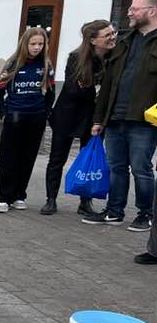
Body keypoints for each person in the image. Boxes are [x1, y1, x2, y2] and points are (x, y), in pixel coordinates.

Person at [83, 0, 157, 233]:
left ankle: (146, 214)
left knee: (141, 169)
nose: (129, 12)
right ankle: (114, 211)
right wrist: (98, 118)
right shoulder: (124, 41)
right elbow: (108, 84)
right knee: (116, 168)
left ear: (151, 11)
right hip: (115, 118)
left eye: (134, 8)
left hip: (144, 121)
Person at [40, 20, 117, 216]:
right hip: (68, 114)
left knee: (90, 158)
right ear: (93, 40)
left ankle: (85, 202)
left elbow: (96, 88)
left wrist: (93, 90)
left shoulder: (113, 58)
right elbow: (74, 90)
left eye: (112, 33)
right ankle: (51, 200)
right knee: (57, 158)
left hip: (95, 118)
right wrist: (97, 91)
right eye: (107, 35)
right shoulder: (76, 58)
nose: (112, 37)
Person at [0, 27, 56, 213]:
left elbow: (50, 93)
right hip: (14, 118)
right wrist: (3, 114)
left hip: (35, 118)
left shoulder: (46, 66)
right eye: (33, 44)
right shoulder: (12, 64)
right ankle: (4, 196)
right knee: (8, 158)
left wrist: (45, 114)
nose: (36, 48)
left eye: (40, 44)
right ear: (25, 44)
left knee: (27, 159)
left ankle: (20, 194)